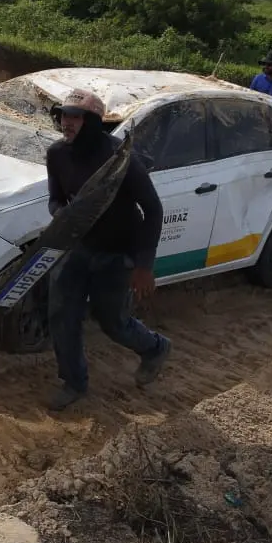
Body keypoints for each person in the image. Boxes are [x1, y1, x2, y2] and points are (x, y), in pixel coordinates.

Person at [44, 88, 171, 411]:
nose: (66, 123)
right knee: (62, 312)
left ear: (93, 123)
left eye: (75, 117)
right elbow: (55, 199)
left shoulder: (120, 160)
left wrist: (144, 265)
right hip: (79, 247)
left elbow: (153, 209)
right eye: (63, 116)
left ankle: (155, 348)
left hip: (117, 252)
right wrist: (63, 215)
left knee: (111, 321)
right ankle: (74, 382)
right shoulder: (57, 154)